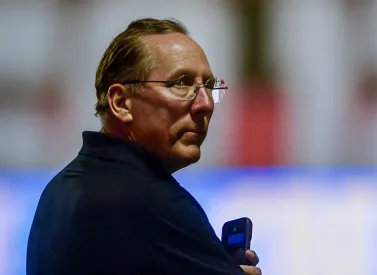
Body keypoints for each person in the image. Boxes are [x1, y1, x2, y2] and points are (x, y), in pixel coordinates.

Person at [26, 18, 261, 275]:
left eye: (208, 86)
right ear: (121, 103)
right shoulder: (152, 203)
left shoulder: (60, 190)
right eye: (181, 83)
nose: (205, 104)